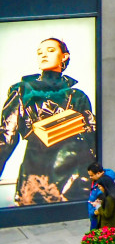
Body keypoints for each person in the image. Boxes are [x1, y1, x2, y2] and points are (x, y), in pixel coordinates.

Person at [0, 35, 96, 206]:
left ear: (64, 56)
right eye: (39, 52)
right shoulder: (22, 90)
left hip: (76, 176)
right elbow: (6, 137)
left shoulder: (77, 95)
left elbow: (92, 135)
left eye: (50, 50)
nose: (43, 55)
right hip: (38, 176)